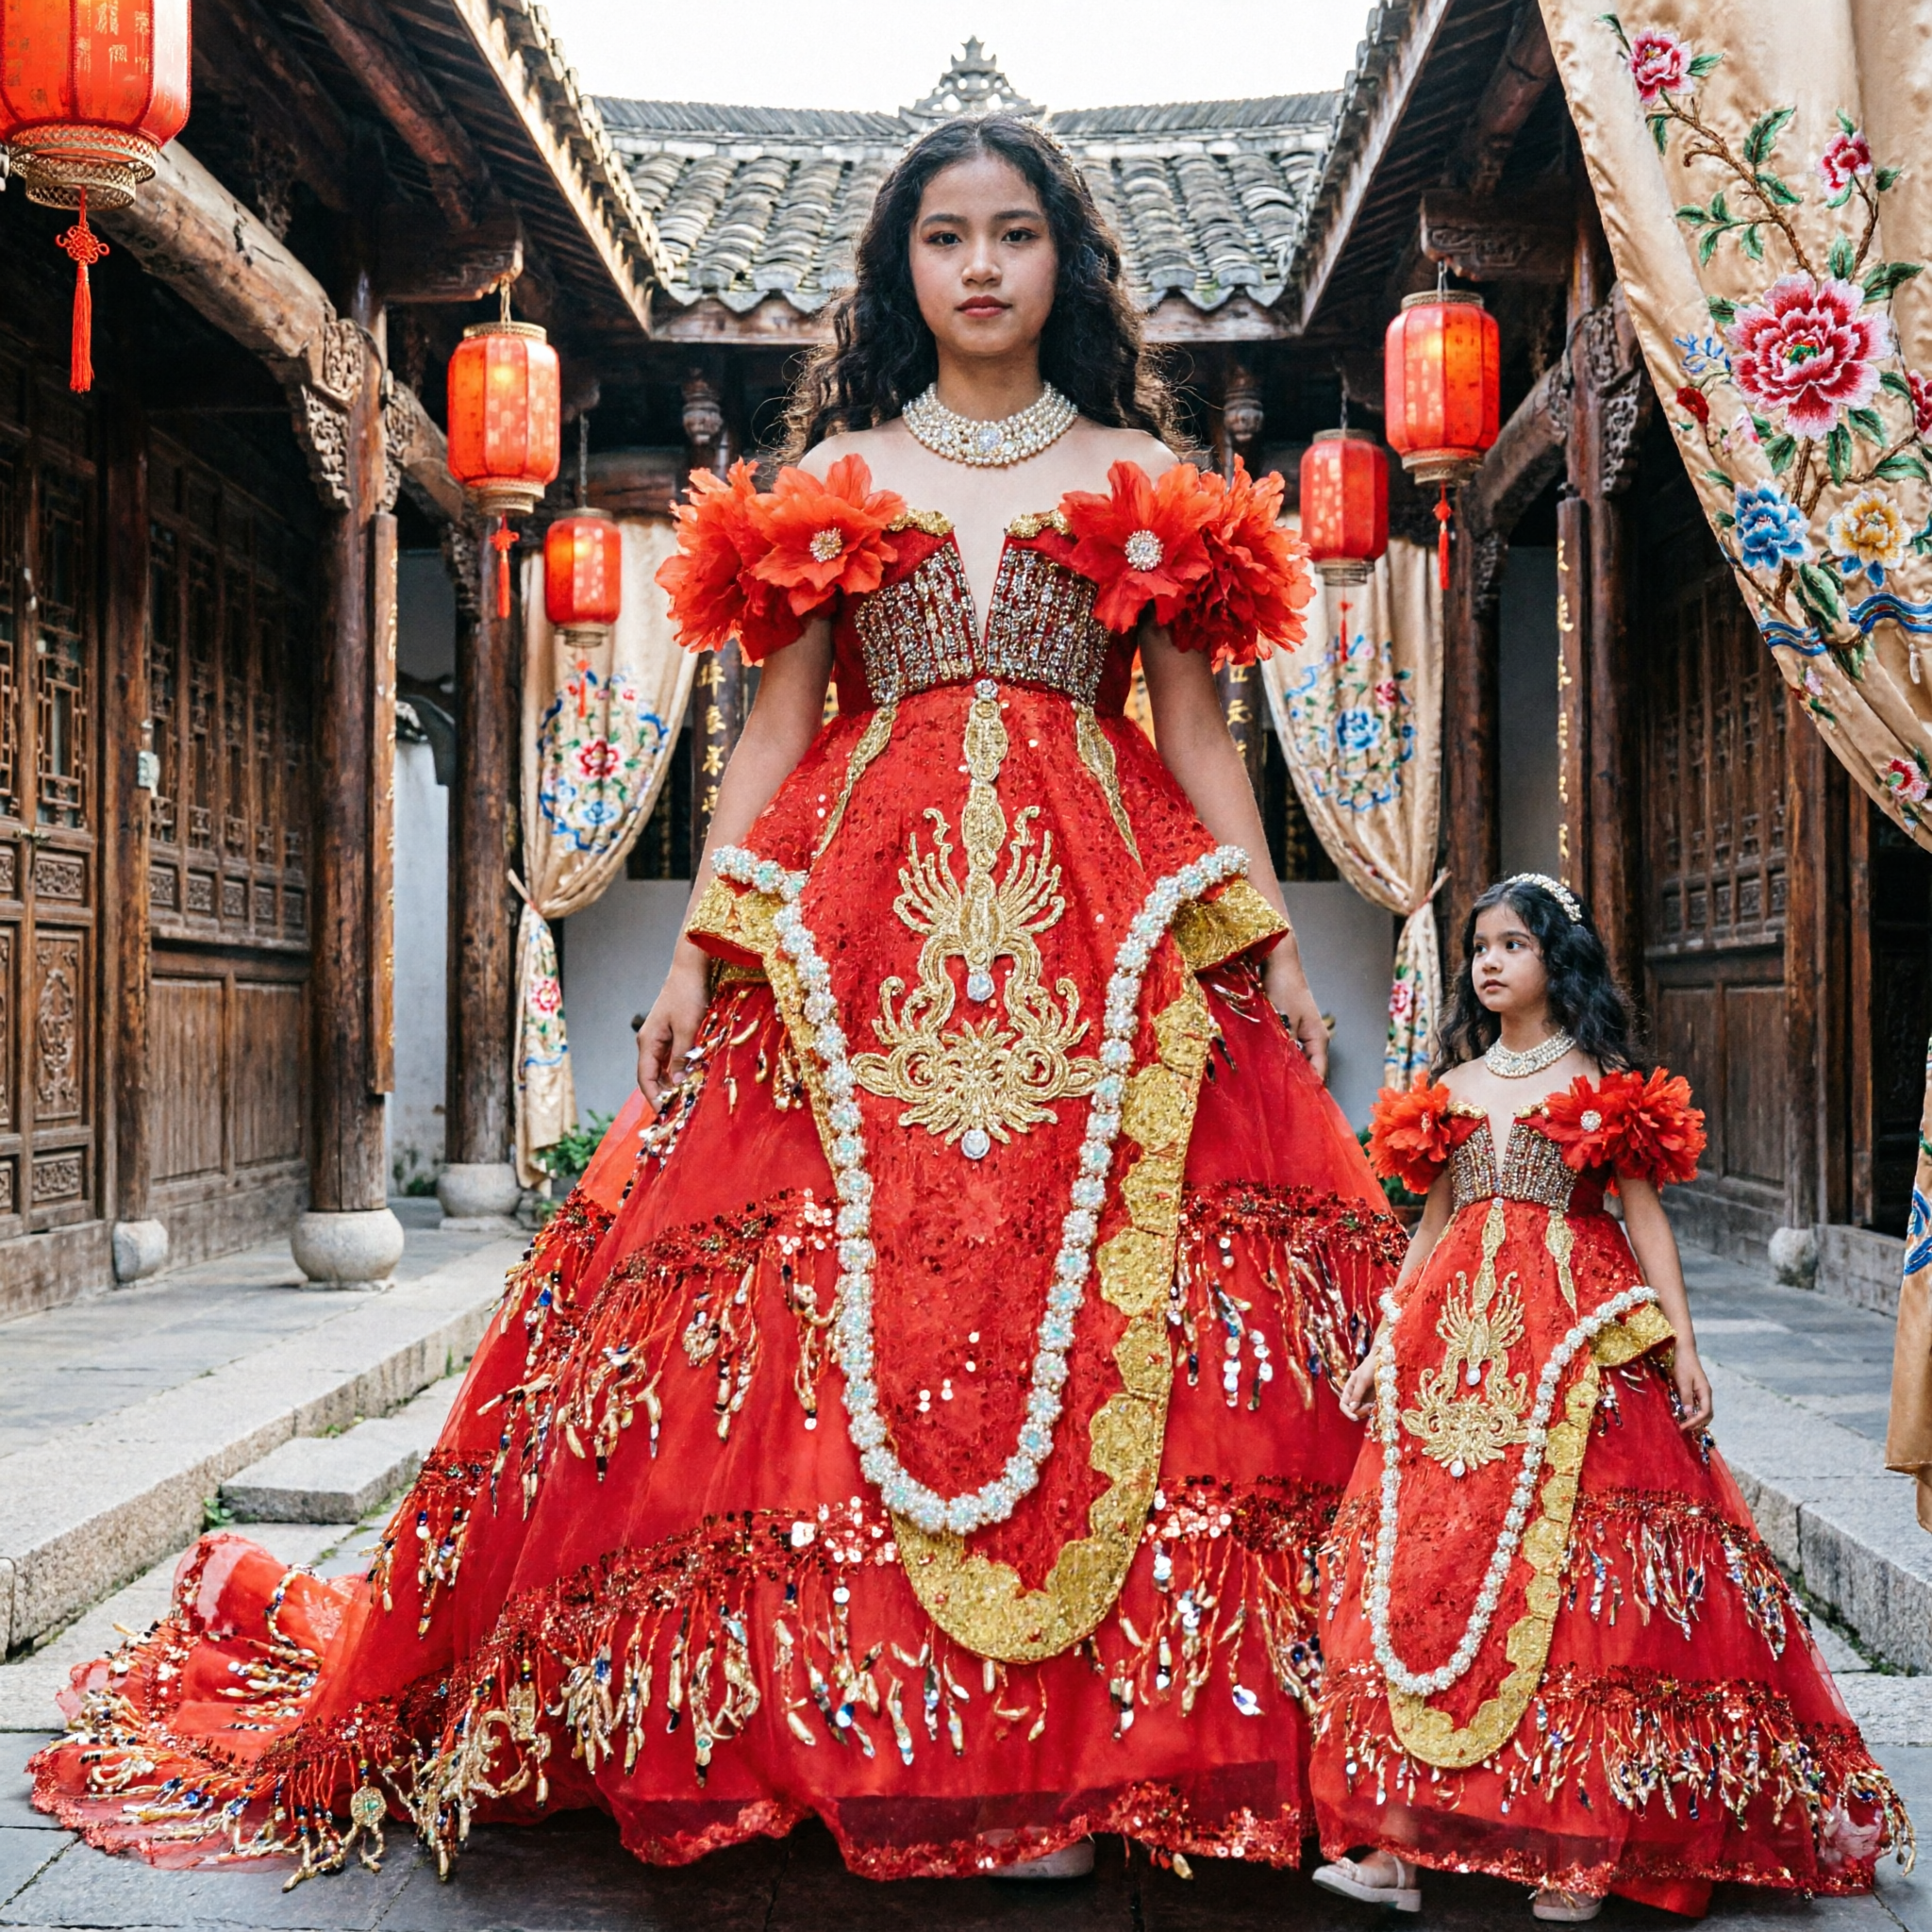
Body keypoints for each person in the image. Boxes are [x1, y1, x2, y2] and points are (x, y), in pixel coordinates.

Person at [31, 115, 1404, 1884]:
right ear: (899, 269)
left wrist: (1278, 942)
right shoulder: (835, 467)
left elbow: (1200, 734)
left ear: (1066, 258)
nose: (978, 266)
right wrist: (691, 953)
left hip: (1106, 918)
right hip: (854, 920)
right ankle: (855, 1725)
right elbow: (769, 727)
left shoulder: (1144, 468)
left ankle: (1080, 1754)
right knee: (837, 1288)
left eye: (1013, 233)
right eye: (942, 237)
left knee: (1096, 1297)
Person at [1308, 874, 1910, 1921]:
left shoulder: (1604, 1082)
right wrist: (1381, 1338)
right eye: (1477, 948)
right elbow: (1427, 1225)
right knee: (1428, 1564)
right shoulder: (1445, 1087)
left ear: (1557, 959)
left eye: (1511, 944)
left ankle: (1578, 1843)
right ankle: (1397, 1839)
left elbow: (1645, 1220)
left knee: (1590, 1581)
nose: (1488, 963)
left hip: (1578, 1330)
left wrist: (1681, 1343)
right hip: (1457, 1340)